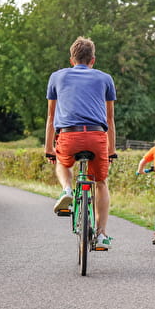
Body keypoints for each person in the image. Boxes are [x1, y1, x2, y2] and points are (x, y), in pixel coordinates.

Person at [44, 36, 117, 249]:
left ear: (71, 59)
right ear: (92, 60)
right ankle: (102, 234)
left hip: (68, 136)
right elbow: (110, 119)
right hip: (96, 136)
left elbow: (51, 116)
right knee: (101, 182)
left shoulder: (56, 77)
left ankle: (67, 190)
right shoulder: (105, 79)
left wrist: (49, 149)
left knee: (62, 163)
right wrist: (111, 150)